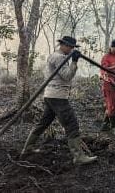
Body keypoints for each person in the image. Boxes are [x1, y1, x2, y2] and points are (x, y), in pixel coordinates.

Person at [21, 36, 97, 165]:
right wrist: (74, 61)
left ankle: (27, 148)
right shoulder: (59, 57)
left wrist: (72, 59)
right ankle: (78, 157)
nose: (71, 49)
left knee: (43, 122)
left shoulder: (56, 56)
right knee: (71, 124)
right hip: (57, 96)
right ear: (62, 45)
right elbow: (67, 76)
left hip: (51, 95)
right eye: (69, 46)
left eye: (73, 47)